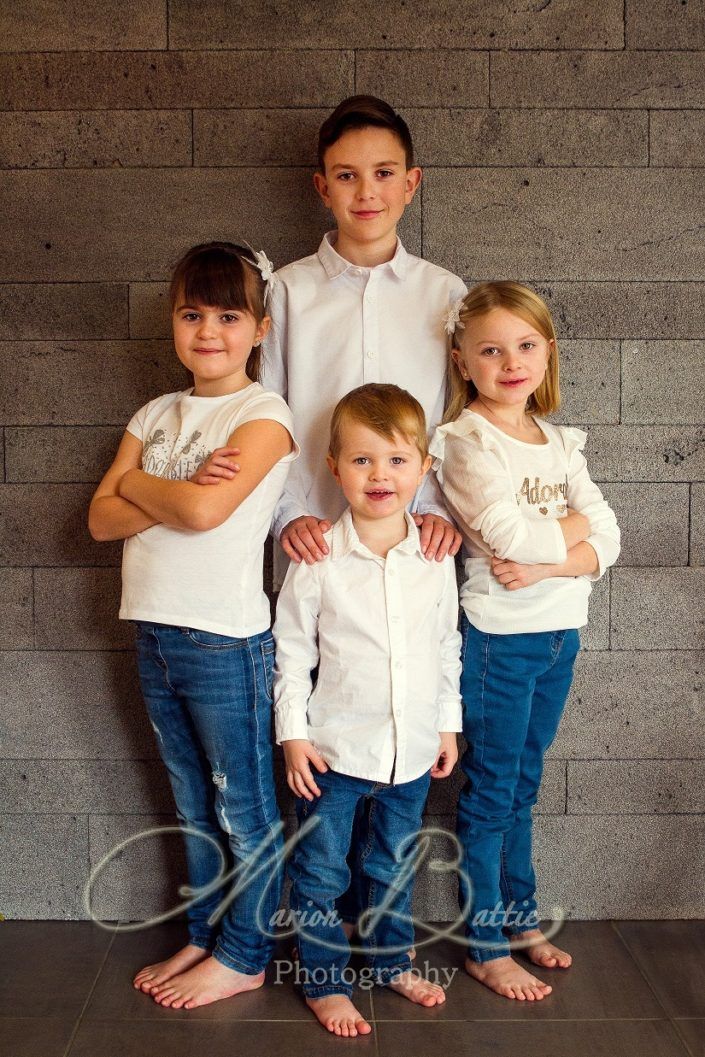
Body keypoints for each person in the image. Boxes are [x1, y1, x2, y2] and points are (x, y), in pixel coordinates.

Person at [88, 242, 298, 1010]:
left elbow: (207, 512)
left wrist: (142, 482)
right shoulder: (155, 412)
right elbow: (100, 519)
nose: (208, 330)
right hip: (153, 633)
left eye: (228, 315)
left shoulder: (263, 415)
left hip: (222, 640)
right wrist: (166, 486)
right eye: (191, 313)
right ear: (174, 322)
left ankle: (244, 954)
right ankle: (208, 932)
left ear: (260, 327)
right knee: (191, 801)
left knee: (243, 809)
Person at [430, 281, 620, 1001]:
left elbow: (611, 535)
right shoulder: (464, 441)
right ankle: (483, 942)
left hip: (557, 635)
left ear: (547, 352)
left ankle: (516, 917)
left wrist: (549, 560)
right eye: (490, 349)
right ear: (462, 360)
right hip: (500, 642)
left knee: (525, 784)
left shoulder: (559, 441)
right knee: (491, 790)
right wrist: (573, 536)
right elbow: (504, 536)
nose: (510, 362)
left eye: (525, 345)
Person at [273, 384, 462, 1037]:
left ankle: (387, 962)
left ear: (422, 467)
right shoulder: (317, 555)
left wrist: (446, 723)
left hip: (410, 751)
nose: (379, 475)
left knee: (390, 862)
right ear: (333, 467)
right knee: (320, 870)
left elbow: (445, 645)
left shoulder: (434, 558)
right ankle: (323, 981)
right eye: (360, 460)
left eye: (395, 460)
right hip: (332, 752)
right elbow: (290, 653)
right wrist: (292, 736)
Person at [260, 94, 467, 582]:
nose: (367, 192)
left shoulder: (445, 292)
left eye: (385, 173)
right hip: (313, 538)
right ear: (323, 187)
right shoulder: (289, 290)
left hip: (416, 538)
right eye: (347, 175)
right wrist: (286, 514)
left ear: (411, 183)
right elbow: (267, 413)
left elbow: (457, 417)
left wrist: (439, 507)